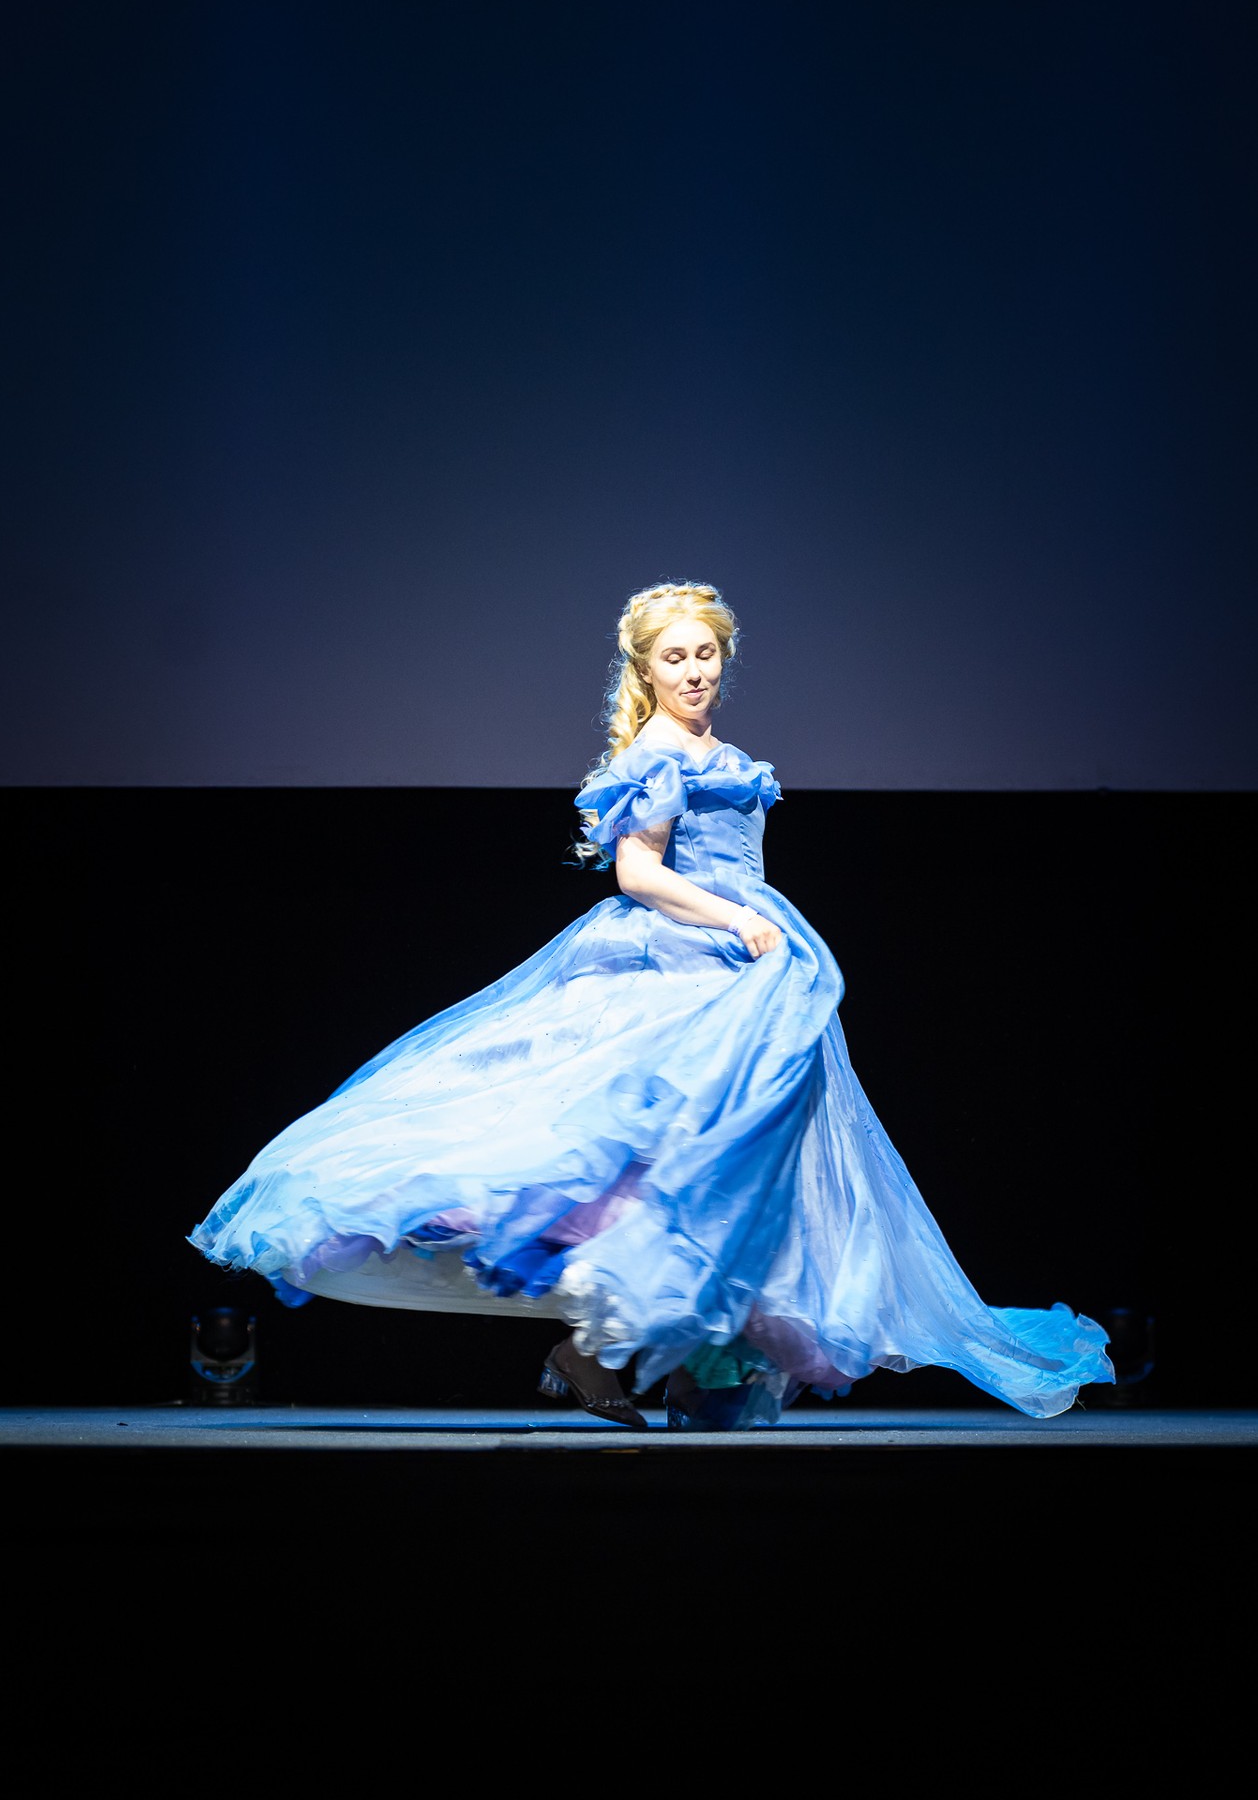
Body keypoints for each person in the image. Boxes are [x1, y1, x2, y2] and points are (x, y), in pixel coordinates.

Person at [188, 580, 1114, 1426]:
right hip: (681, 959)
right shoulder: (658, 752)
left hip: (748, 967)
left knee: (742, 1165)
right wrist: (740, 921)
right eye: (675, 657)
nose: (694, 670)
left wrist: (758, 934)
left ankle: (682, 1363)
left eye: (705, 653)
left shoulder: (725, 754)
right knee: (656, 1155)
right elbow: (637, 872)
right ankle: (600, 1352)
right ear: (646, 669)